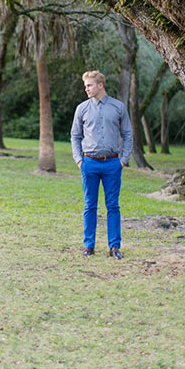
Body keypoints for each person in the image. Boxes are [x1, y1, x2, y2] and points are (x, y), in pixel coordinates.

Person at [71, 70, 133, 259]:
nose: (86, 89)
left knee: (113, 206)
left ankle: (114, 247)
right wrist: (79, 160)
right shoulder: (82, 108)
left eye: (89, 85)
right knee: (90, 205)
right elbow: (75, 135)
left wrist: (123, 161)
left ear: (100, 85)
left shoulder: (118, 107)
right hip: (89, 163)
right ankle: (88, 246)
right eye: (85, 86)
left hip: (112, 164)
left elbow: (128, 135)